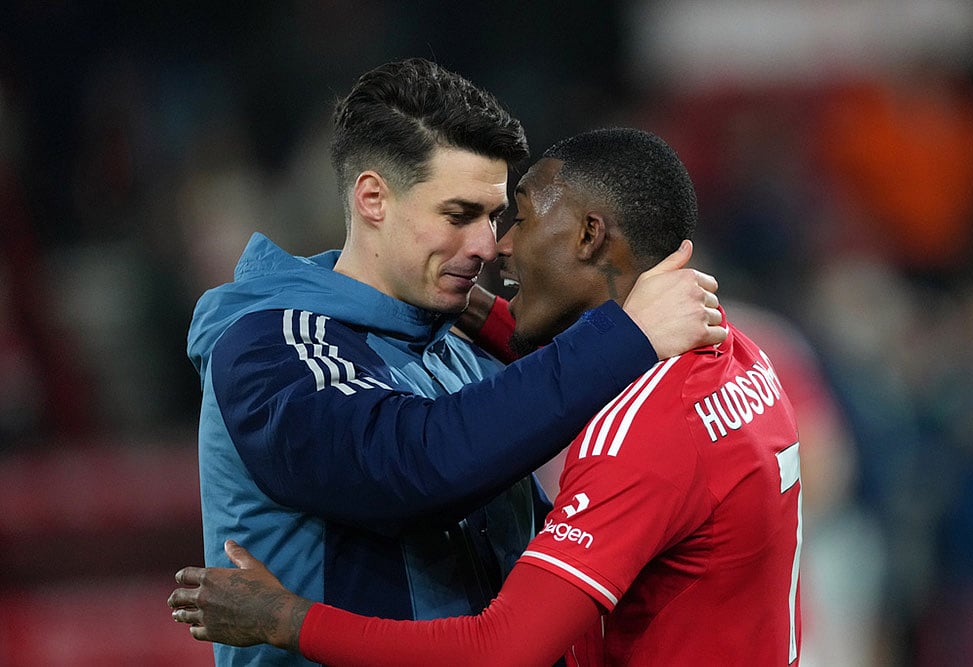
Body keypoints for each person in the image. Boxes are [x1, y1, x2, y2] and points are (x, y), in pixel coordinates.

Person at [170, 127, 802, 666]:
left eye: (516, 218)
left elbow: (498, 650)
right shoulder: (737, 355)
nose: (496, 246)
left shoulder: (641, 436)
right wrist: (469, 305)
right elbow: (561, 363)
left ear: (588, 235)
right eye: (461, 215)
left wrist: (289, 621)